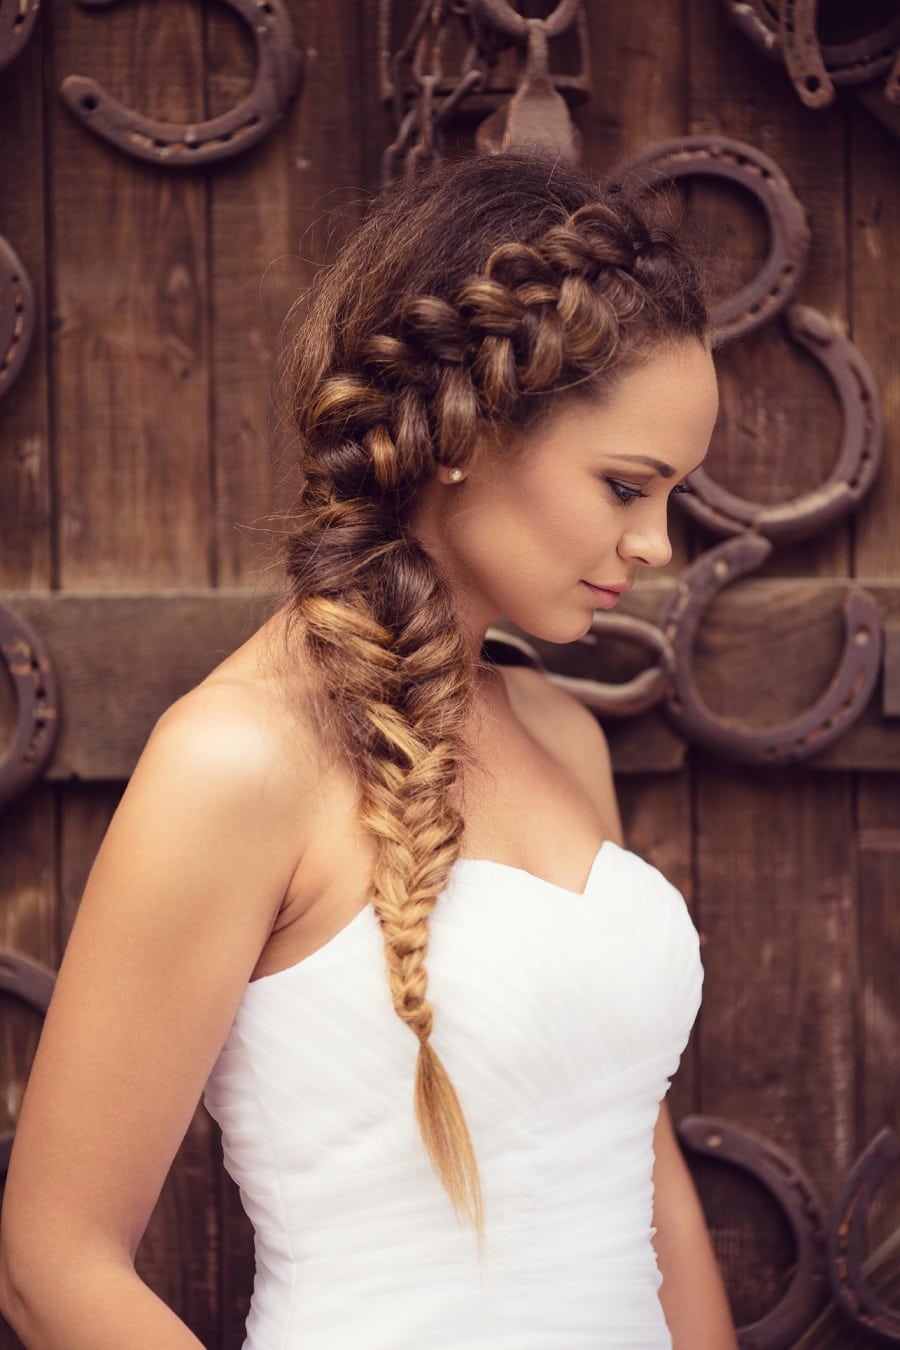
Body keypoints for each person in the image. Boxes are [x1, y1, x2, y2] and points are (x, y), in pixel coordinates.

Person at [0, 151, 736, 1349]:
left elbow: (638, 1169)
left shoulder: (565, 734)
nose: (657, 545)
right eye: (626, 486)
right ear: (467, 433)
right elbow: (50, 1263)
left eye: (673, 496)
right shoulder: (234, 762)